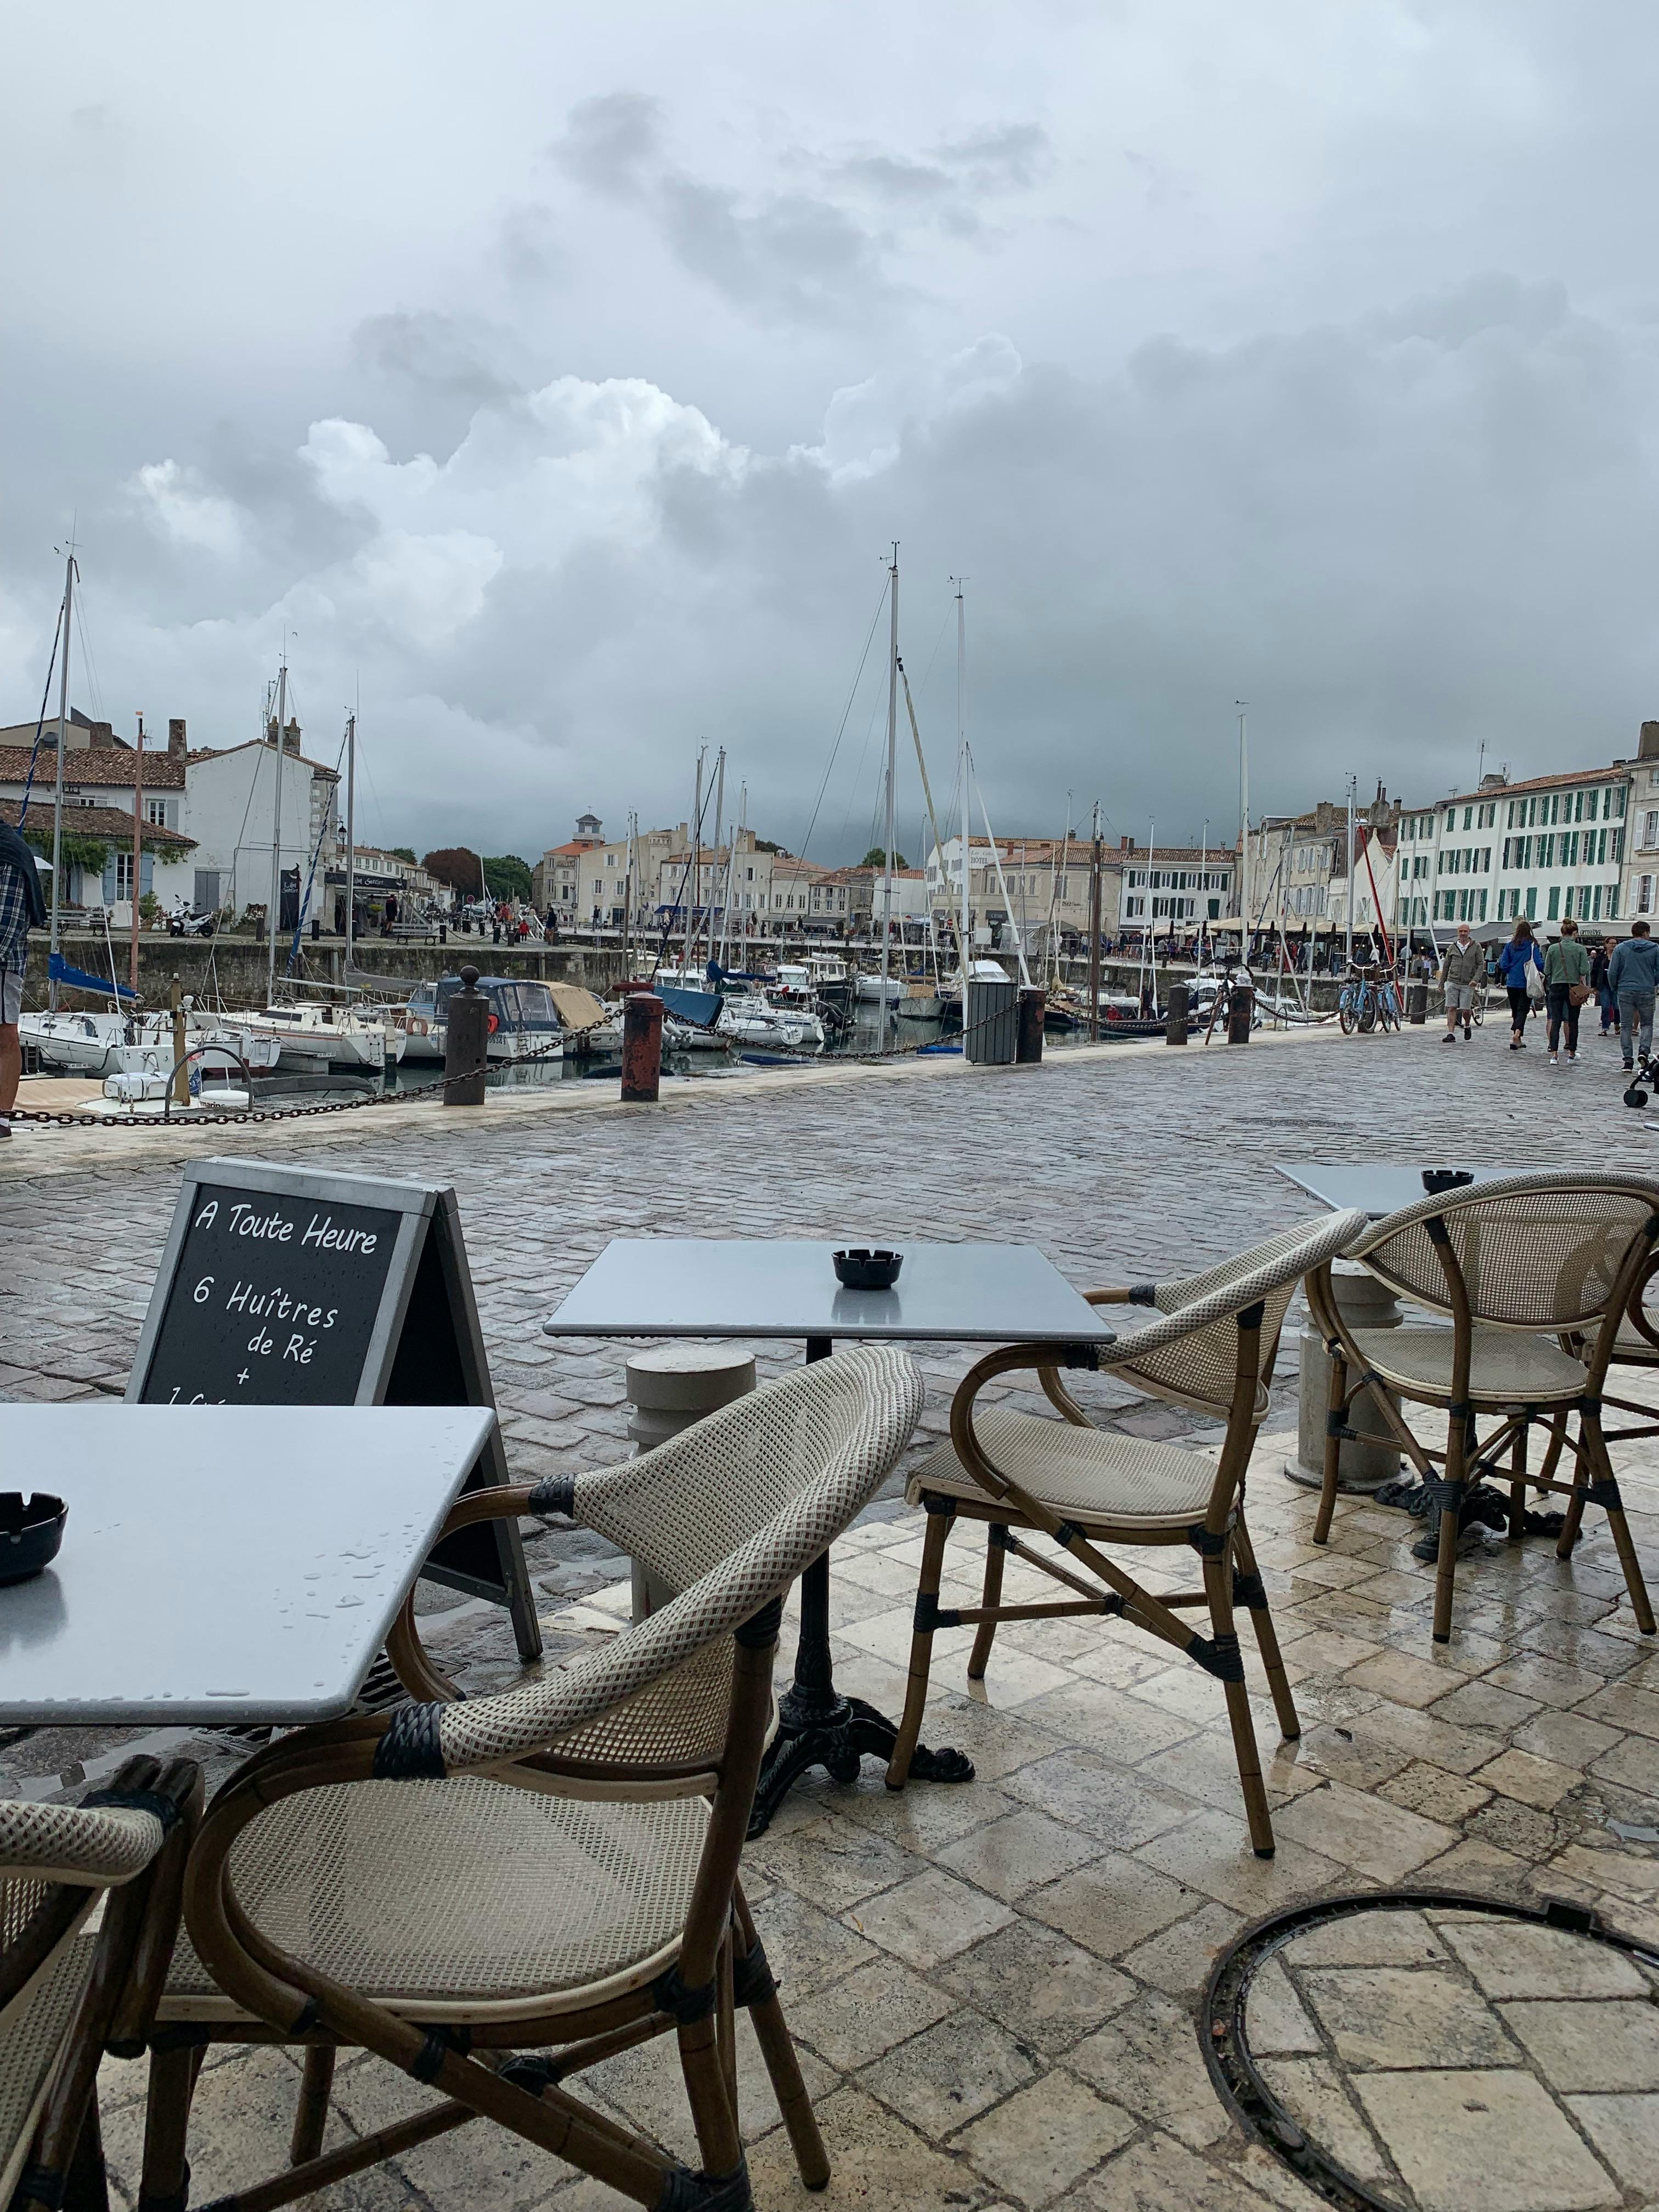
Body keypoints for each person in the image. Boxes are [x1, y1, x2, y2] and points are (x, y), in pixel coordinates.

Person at [0, 820, 46, 1139]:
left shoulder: (9, 855)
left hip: (2, 966)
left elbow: (6, 925)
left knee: (5, 1037)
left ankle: (1, 1120)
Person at [1610, 918, 1659, 1073]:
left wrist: (1615, 986)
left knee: (1625, 1026)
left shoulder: (1621, 949)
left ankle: (1628, 1061)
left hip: (1625, 989)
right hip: (1646, 989)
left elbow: (1613, 971)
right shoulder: (1655, 949)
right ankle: (1644, 1052)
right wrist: (1653, 982)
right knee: (1647, 1024)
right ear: (1645, 933)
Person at [1543, 915, 1590, 1066]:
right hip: (1573, 988)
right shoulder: (1580, 949)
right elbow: (1584, 969)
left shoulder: (1553, 948)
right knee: (1573, 1021)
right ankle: (1571, 1053)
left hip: (1556, 986)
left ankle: (1554, 1055)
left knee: (1556, 1020)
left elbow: (1547, 970)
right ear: (1575, 933)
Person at [1495, 916, 1543, 1049]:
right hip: (1527, 982)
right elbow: (1539, 963)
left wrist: (1511, 969)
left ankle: (1517, 1039)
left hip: (1512, 983)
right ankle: (1517, 1033)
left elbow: (1503, 964)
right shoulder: (1533, 946)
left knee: (1515, 1010)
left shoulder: (1510, 945)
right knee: (1523, 1010)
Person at [1438, 922, 1483, 1042]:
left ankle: (1467, 1025)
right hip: (1453, 981)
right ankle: (1451, 1033)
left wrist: (1475, 979)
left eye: (1465, 931)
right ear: (1458, 933)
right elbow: (1446, 966)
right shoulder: (1453, 947)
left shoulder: (1476, 946)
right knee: (1451, 1008)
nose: (1463, 934)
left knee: (1465, 1010)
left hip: (1468, 983)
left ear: (1469, 933)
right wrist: (1442, 983)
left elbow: (1480, 965)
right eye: (1461, 931)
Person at [1590, 937, 1619, 1040]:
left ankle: (1617, 1025)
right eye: (1611, 943)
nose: (1613, 946)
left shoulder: (1619, 956)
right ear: (1606, 944)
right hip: (1604, 985)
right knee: (1606, 1006)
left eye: (1615, 944)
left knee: (1617, 1006)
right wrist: (1593, 986)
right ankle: (1605, 1027)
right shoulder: (1601, 957)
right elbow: (1595, 971)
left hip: (1616, 985)